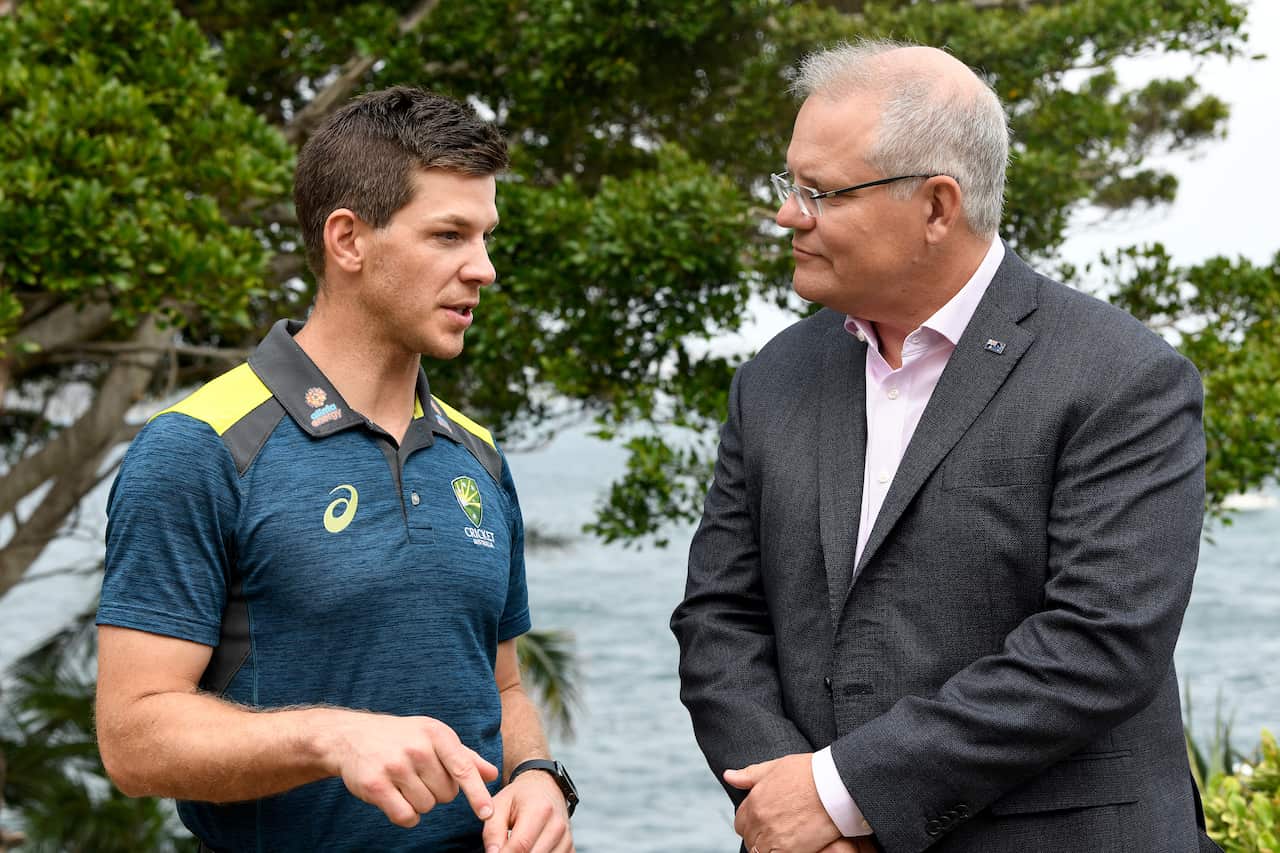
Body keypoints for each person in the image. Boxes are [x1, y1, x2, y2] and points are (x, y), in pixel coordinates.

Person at [671, 41, 1218, 853]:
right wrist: (795, 806)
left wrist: (842, 793)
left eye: (821, 192)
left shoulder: (1122, 377)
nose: (788, 214)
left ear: (936, 206)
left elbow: (1099, 643)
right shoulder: (773, 379)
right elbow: (720, 617)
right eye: (789, 184)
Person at [95, 86, 577, 853]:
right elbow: (133, 738)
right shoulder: (200, 447)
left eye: (486, 237)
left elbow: (505, 686)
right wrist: (330, 737)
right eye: (448, 235)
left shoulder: (477, 453)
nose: (483, 268)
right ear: (347, 240)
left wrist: (539, 775)